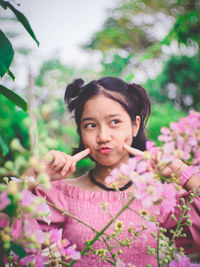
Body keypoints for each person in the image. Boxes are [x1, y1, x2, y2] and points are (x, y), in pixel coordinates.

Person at [25, 77, 200, 266]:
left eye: (114, 122)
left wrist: (183, 172)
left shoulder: (158, 196)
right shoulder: (60, 195)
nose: (102, 137)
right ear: (81, 132)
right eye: (90, 125)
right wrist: (34, 175)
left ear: (134, 125)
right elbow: (12, 232)